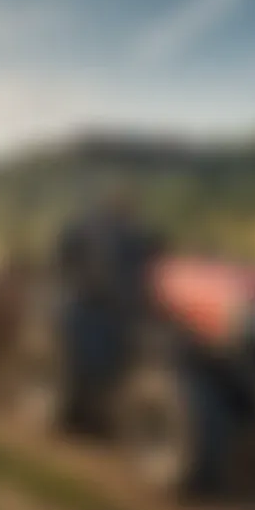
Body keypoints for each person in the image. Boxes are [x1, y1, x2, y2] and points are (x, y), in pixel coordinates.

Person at [55, 179, 165, 432]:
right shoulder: (91, 227)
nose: (129, 207)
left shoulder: (137, 232)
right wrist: (81, 280)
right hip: (95, 297)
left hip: (131, 295)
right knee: (85, 326)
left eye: (131, 203)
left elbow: (154, 254)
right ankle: (90, 393)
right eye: (124, 202)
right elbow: (65, 258)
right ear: (111, 203)